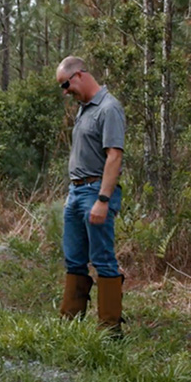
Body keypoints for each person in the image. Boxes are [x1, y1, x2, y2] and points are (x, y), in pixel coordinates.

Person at [55, 56, 126, 334]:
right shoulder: (84, 109)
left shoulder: (109, 108)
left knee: (103, 259)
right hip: (76, 193)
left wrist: (103, 200)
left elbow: (114, 157)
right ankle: (70, 324)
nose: (65, 91)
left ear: (79, 75)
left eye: (65, 84)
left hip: (96, 193)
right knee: (74, 258)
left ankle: (110, 329)